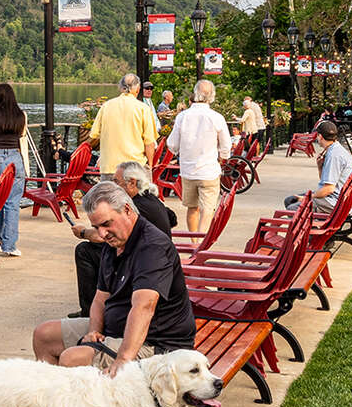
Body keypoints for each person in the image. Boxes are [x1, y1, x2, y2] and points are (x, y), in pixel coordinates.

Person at [34, 180, 195, 375]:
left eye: (106, 224)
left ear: (127, 210)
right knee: (43, 335)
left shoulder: (152, 247)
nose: (101, 233)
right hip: (116, 330)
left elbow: (144, 307)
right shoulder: (115, 243)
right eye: (96, 226)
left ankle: (79, 404)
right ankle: (52, 401)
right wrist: (93, 330)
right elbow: (101, 298)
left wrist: (124, 358)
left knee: (73, 358)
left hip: (156, 343)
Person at [69, 161, 174, 317]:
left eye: (116, 182)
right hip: (151, 255)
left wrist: (84, 232)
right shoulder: (150, 198)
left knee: (85, 251)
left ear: (132, 182)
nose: (114, 186)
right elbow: (173, 218)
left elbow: (107, 236)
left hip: (146, 260)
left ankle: (89, 312)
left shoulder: (135, 206)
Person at [165, 79, 231, 234]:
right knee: (207, 210)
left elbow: (172, 144)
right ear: (212, 96)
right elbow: (226, 146)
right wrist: (222, 157)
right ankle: (200, 244)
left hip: (188, 171)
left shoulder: (183, 116)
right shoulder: (216, 117)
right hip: (209, 171)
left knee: (192, 208)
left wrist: (180, 151)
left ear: (195, 93)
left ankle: (194, 241)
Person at [86, 73, 159, 183]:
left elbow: (94, 136)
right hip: (135, 167)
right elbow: (149, 143)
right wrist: (150, 164)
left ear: (121, 88)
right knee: (139, 199)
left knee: (110, 199)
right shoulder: (143, 109)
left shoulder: (106, 106)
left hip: (110, 167)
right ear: (138, 89)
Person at [0, 84, 28, 257]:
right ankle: (10, 245)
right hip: (15, 158)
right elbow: (21, 135)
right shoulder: (20, 115)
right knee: (12, 202)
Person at [284, 119, 352, 215]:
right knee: (290, 200)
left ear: (320, 136)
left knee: (293, 208)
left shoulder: (334, 155)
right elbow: (327, 182)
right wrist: (320, 167)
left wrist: (309, 197)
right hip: (337, 199)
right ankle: (309, 228)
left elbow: (329, 189)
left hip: (334, 202)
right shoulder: (334, 149)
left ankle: (310, 230)